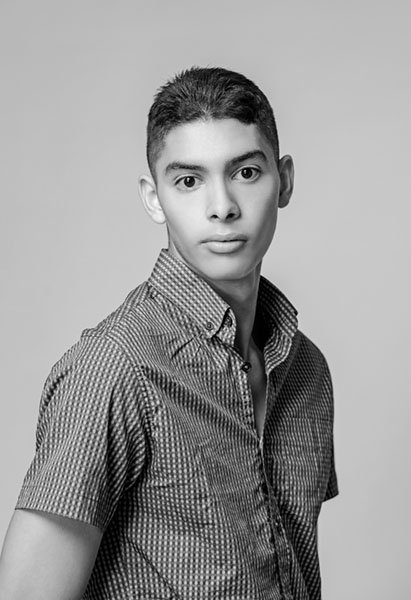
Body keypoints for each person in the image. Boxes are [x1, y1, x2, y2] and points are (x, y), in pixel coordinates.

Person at [0, 66, 338, 600]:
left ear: (285, 181)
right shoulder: (113, 370)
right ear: (154, 197)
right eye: (188, 181)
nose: (222, 207)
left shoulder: (306, 369)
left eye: (247, 172)